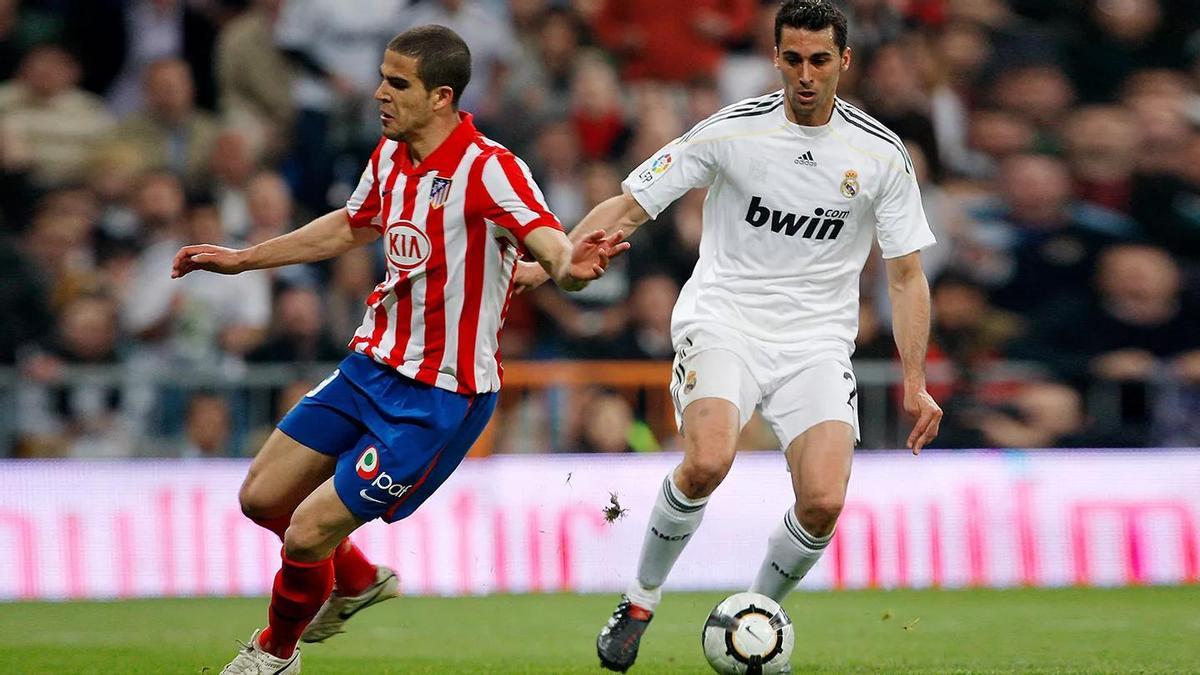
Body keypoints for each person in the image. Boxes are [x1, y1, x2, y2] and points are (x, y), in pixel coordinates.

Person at [171, 26, 627, 675]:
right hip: (371, 365)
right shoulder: (390, 156)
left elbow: (554, 250)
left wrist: (575, 267)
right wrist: (247, 259)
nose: (380, 92)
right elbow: (352, 224)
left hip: (439, 394)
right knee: (262, 498)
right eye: (383, 76)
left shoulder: (489, 167)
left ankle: (273, 655)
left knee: (305, 530)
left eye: (398, 82)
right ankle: (355, 579)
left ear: (441, 96)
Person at [515, 2, 942, 670]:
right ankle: (640, 596)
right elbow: (629, 205)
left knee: (825, 502)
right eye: (793, 58)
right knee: (709, 460)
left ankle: (755, 612)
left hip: (817, 342)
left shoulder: (881, 154)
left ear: (845, 62)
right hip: (725, 320)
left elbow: (907, 274)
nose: (806, 74)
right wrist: (554, 263)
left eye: (820, 60)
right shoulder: (730, 131)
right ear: (776, 57)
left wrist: (914, 381)